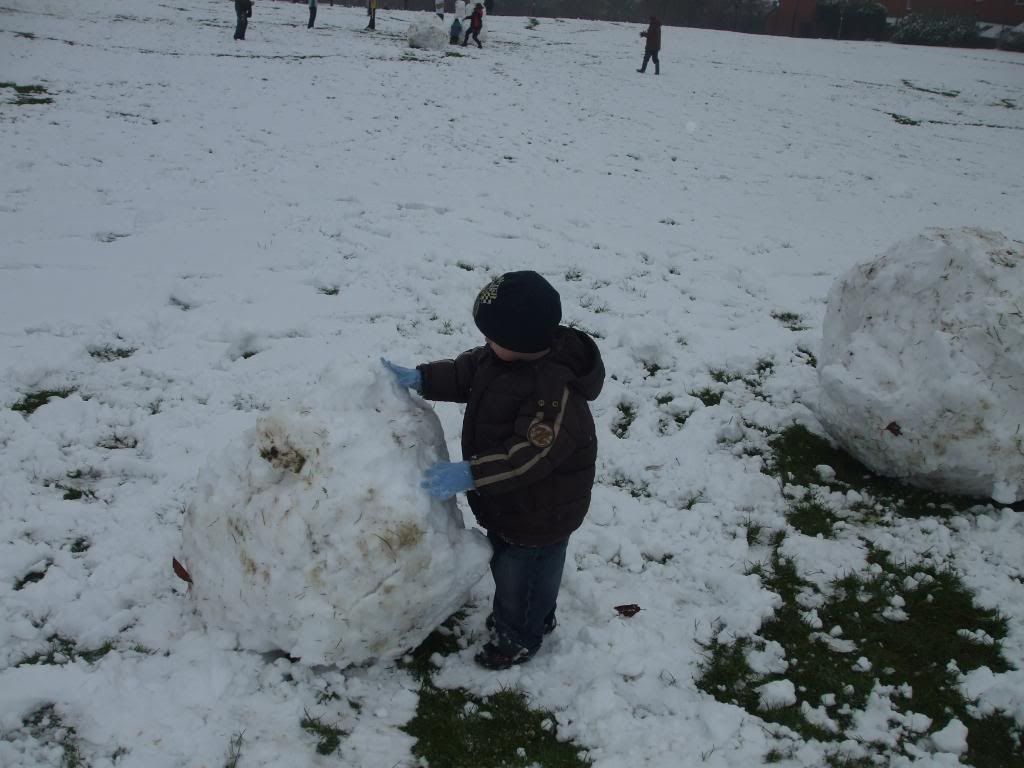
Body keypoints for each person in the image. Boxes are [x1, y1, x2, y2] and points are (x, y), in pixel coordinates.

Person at [382, 271, 605, 671]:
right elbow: (465, 373)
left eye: (492, 337)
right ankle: (533, 613)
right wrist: (423, 378)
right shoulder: (501, 356)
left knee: (524, 573)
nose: (485, 343)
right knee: (511, 567)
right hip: (511, 501)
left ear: (521, 341)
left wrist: (473, 473)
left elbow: (526, 457)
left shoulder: (553, 396)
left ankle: (519, 636)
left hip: (541, 511)